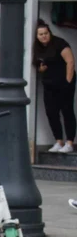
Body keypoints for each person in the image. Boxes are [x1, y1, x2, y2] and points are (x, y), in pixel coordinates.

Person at [33, 21, 75, 153]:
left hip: (64, 83)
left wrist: (68, 81)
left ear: (49, 33)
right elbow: (39, 66)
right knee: (51, 113)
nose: (44, 36)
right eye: (41, 34)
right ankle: (58, 141)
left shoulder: (59, 43)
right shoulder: (38, 48)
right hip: (49, 84)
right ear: (37, 36)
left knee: (67, 111)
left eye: (46, 33)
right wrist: (41, 69)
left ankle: (69, 142)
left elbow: (70, 62)